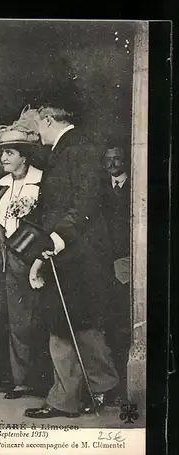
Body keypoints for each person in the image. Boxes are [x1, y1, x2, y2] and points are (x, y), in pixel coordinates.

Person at [21, 105, 119, 418]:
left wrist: (56, 240)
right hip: (68, 252)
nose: (36, 133)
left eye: (37, 125)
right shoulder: (67, 149)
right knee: (66, 325)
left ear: (49, 120)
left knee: (77, 325)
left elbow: (85, 204)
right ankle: (75, 396)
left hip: (79, 255)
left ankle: (95, 391)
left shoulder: (79, 148)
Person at [0, 124, 49, 399]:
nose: (3, 158)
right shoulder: (0, 187)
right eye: (1, 153)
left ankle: (48, 381)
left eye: (9, 153)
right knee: (18, 321)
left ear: (24, 156)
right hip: (11, 260)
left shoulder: (43, 182)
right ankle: (21, 381)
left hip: (39, 260)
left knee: (43, 320)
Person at [100, 145, 131, 402]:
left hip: (126, 261)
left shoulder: (135, 189)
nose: (113, 163)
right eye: (108, 160)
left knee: (123, 323)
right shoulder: (100, 188)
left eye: (117, 158)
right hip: (103, 261)